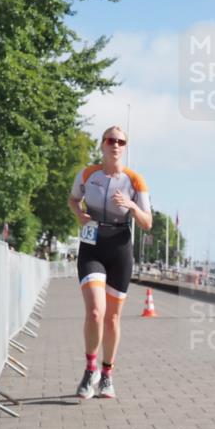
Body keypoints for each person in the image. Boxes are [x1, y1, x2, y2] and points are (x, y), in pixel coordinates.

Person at [67, 126, 152, 400]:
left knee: (112, 318)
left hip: (119, 247)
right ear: (102, 144)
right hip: (92, 245)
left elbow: (147, 223)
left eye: (121, 141)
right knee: (95, 312)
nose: (115, 144)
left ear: (125, 147)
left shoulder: (135, 180)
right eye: (110, 140)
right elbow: (72, 199)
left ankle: (107, 374)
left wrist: (131, 205)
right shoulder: (88, 174)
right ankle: (90, 369)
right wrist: (80, 216)